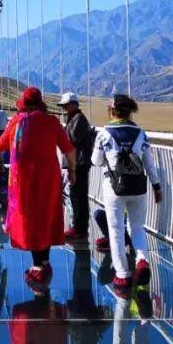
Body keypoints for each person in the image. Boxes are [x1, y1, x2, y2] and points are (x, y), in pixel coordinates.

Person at [0, 87, 76, 289]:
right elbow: (68, 149)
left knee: (30, 218)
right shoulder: (52, 122)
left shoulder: (17, 122)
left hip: (23, 182)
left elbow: (0, 145)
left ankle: (38, 265)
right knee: (45, 216)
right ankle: (44, 261)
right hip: (48, 179)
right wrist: (73, 171)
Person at [91, 94, 163, 294]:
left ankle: (122, 275)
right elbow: (149, 163)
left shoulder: (104, 134)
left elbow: (96, 161)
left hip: (114, 188)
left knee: (116, 231)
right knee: (137, 227)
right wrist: (156, 186)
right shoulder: (141, 133)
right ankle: (141, 259)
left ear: (112, 111)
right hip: (138, 187)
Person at [58, 92, 96, 243]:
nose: (64, 108)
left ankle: (80, 229)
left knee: (78, 195)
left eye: (66, 105)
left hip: (79, 163)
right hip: (76, 162)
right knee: (75, 194)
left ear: (74, 104)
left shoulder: (78, 119)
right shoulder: (74, 118)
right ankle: (78, 227)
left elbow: (71, 140)